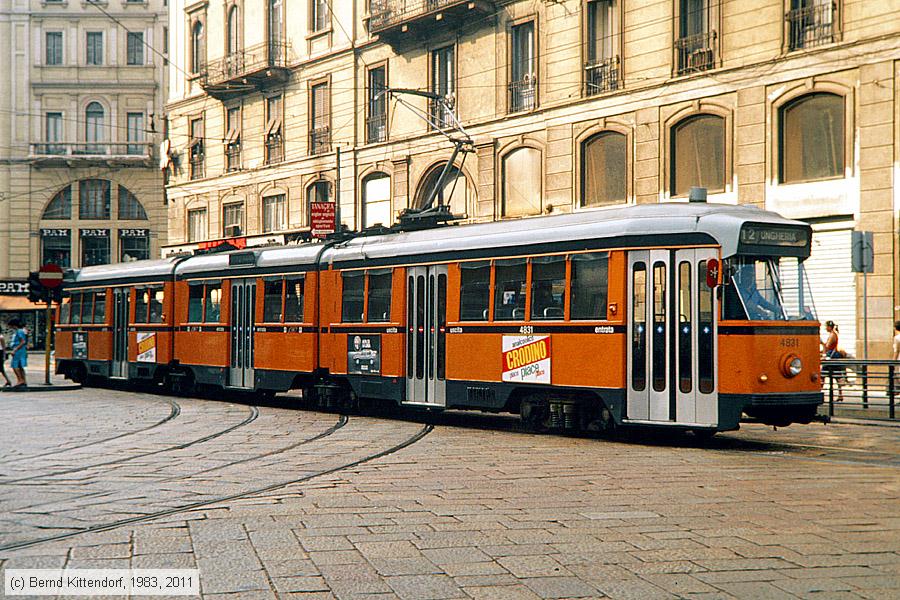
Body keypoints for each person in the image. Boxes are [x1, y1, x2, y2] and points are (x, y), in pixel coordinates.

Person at [822, 320, 845, 401]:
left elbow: (828, 346)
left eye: (826, 327)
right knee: (837, 376)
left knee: (823, 375)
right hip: (834, 357)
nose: (825, 328)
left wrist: (822, 344)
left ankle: (820, 392)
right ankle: (840, 395)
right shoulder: (834, 334)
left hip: (831, 357)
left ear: (829, 327)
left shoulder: (832, 335)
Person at [8, 318, 28, 389]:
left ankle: (20, 380)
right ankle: (23, 380)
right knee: (20, 366)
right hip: (21, 350)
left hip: (18, 350)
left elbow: (22, 341)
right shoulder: (21, 331)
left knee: (15, 366)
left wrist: (15, 350)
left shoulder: (19, 331)